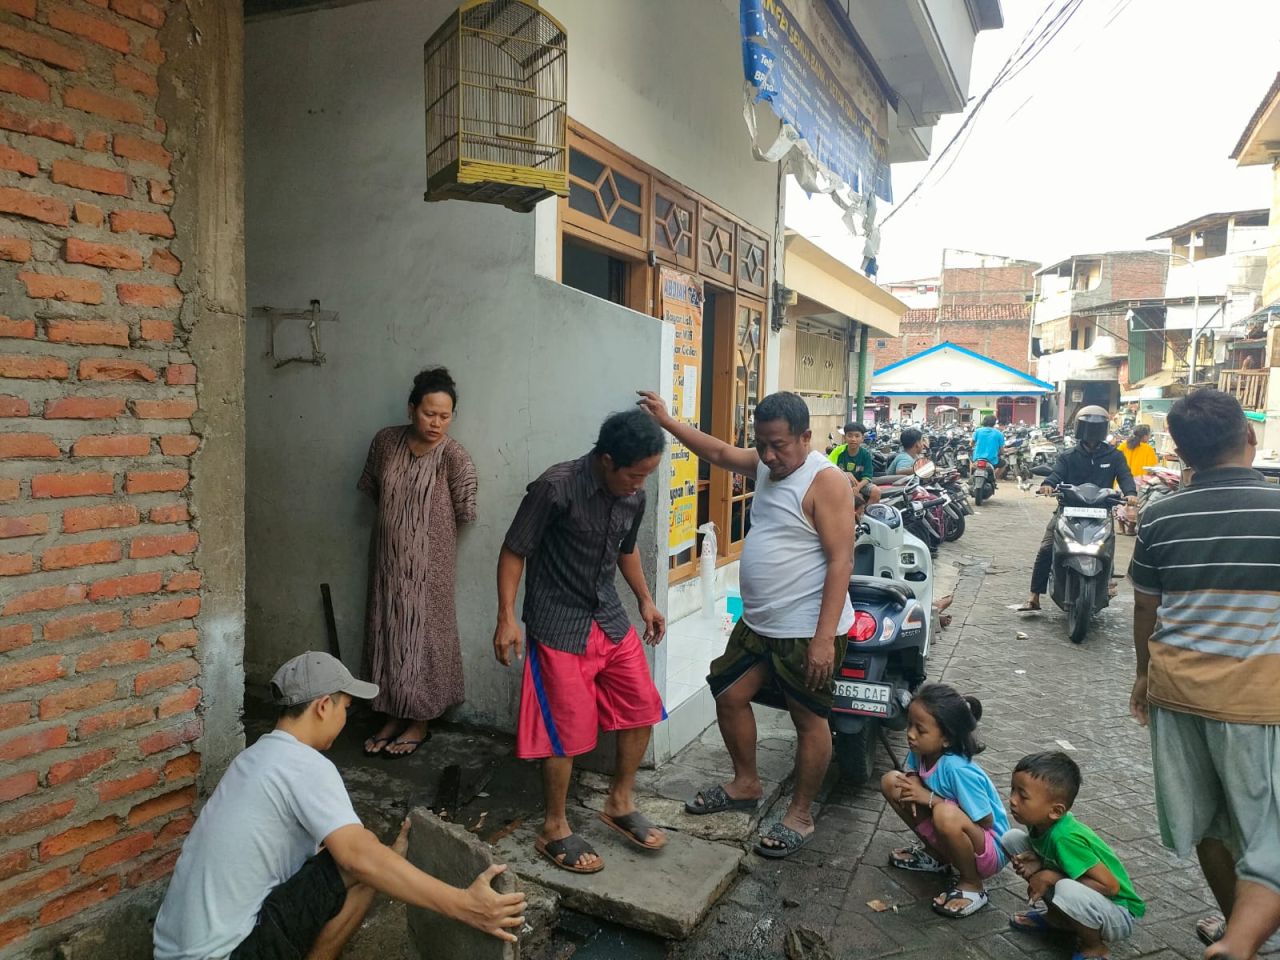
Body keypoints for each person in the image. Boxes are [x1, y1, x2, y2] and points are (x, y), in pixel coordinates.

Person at [153, 652, 525, 960]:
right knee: (360, 862)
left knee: (359, 856)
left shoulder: (254, 758)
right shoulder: (305, 765)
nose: (346, 718)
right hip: (227, 956)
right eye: (345, 707)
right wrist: (462, 904)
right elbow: (355, 858)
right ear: (322, 706)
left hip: (174, 953)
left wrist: (386, 857)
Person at [637, 389, 854, 859]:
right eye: (762, 444)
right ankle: (746, 782)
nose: (770, 455)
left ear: (806, 437)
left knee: (808, 718)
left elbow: (841, 562)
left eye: (780, 445)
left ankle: (800, 813)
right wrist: (667, 421)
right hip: (759, 622)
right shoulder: (764, 463)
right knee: (728, 691)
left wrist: (822, 640)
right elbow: (716, 451)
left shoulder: (826, 481)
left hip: (806, 628)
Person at [1128, 389, 1280, 960]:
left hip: (1178, 692)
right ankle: (1251, 937)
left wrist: (1143, 677)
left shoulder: (1159, 516)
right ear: (1249, 437)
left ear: (1182, 454)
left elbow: (1147, 608)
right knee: (1265, 832)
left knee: (1211, 823)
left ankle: (1235, 928)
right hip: (1260, 700)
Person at [492, 409, 668, 874]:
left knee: (643, 706)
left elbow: (625, 551)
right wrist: (506, 616)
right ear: (607, 460)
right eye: (634, 474)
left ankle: (619, 801)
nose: (639, 484)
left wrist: (646, 600)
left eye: (648, 474)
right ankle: (554, 827)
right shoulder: (555, 488)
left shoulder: (633, 496)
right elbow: (514, 550)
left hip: (608, 618)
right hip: (557, 625)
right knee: (564, 733)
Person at [359, 367, 478, 757]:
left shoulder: (454, 455)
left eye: (445, 416)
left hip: (432, 565)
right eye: (430, 414)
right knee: (387, 630)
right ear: (412, 409)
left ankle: (420, 720)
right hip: (387, 559)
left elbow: (464, 511)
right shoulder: (385, 442)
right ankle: (392, 712)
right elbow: (375, 491)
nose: (437, 423)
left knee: (424, 636)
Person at [880, 684, 1009, 919]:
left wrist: (930, 798)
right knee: (893, 782)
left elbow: (986, 821)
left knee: (944, 814)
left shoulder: (958, 769)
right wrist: (914, 782)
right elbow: (915, 777)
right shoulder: (921, 751)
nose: (910, 734)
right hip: (956, 832)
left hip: (990, 848)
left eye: (920, 729)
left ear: (947, 739)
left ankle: (973, 884)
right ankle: (937, 856)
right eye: (910, 725)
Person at [1004, 751, 1144, 960]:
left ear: (1056, 810)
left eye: (1022, 796)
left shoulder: (1065, 837)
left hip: (1118, 912)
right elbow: (1060, 863)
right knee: (1012, 839)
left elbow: (1110, 887)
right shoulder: (1041, 824)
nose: (1013, 800)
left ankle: (1095, 948)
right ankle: (1058, 920)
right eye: (1013, 790)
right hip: (1092, 898)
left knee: (1065, 888)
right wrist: (1041, 863)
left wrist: (1049, 876)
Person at [1019, 406, 1136, 612]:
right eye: (1088, 426)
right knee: (1047, 548)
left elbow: (1125, 476)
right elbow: (1056, 474)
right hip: (1068, 510)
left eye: (1096, 426)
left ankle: (1107, 580)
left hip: (1101, 512)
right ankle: (1034, 595)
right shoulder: (1069, 455)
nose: (1092, 430)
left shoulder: (1114, 456)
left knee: (1106, 546)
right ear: (1080, 428)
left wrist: (1131, 493)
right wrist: (1048, 484)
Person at [1117, 425, 1157, 535]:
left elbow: (1116, 458)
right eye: (1148, 435)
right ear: (1144, 436)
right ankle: (1130, 529)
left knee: (1121, 503)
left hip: (1122, 478)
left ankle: (1121, 528)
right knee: (1135, 505)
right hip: (1140, 480)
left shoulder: (1124, 445)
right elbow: (1152, 467)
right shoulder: (1148, 448)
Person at [828, 421, 880, 505]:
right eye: (850, 435)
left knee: (876, 491)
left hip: (860, 484)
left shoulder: (865, 454)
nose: (853, 439)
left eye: (857, 436)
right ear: (845, 437)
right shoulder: (838, 451)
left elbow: (867, 477)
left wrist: (857, 488)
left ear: (862, 438)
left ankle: (865, 514)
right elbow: (828, 469)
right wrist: (844, 473)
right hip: (842, 482)